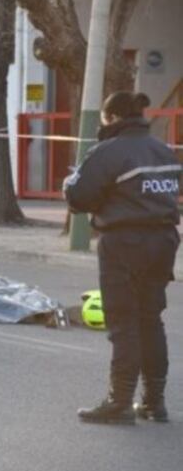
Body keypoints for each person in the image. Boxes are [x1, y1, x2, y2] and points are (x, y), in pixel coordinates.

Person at [64, 91, 180, 424]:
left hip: (124, 243)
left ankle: (119, 402)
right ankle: (154, 403)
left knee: (124, 322)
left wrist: (68, 185)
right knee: (150, 319)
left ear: (112, 117)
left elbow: (79, 197)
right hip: (164, 241)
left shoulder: (108, 152)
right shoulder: (163, 150)